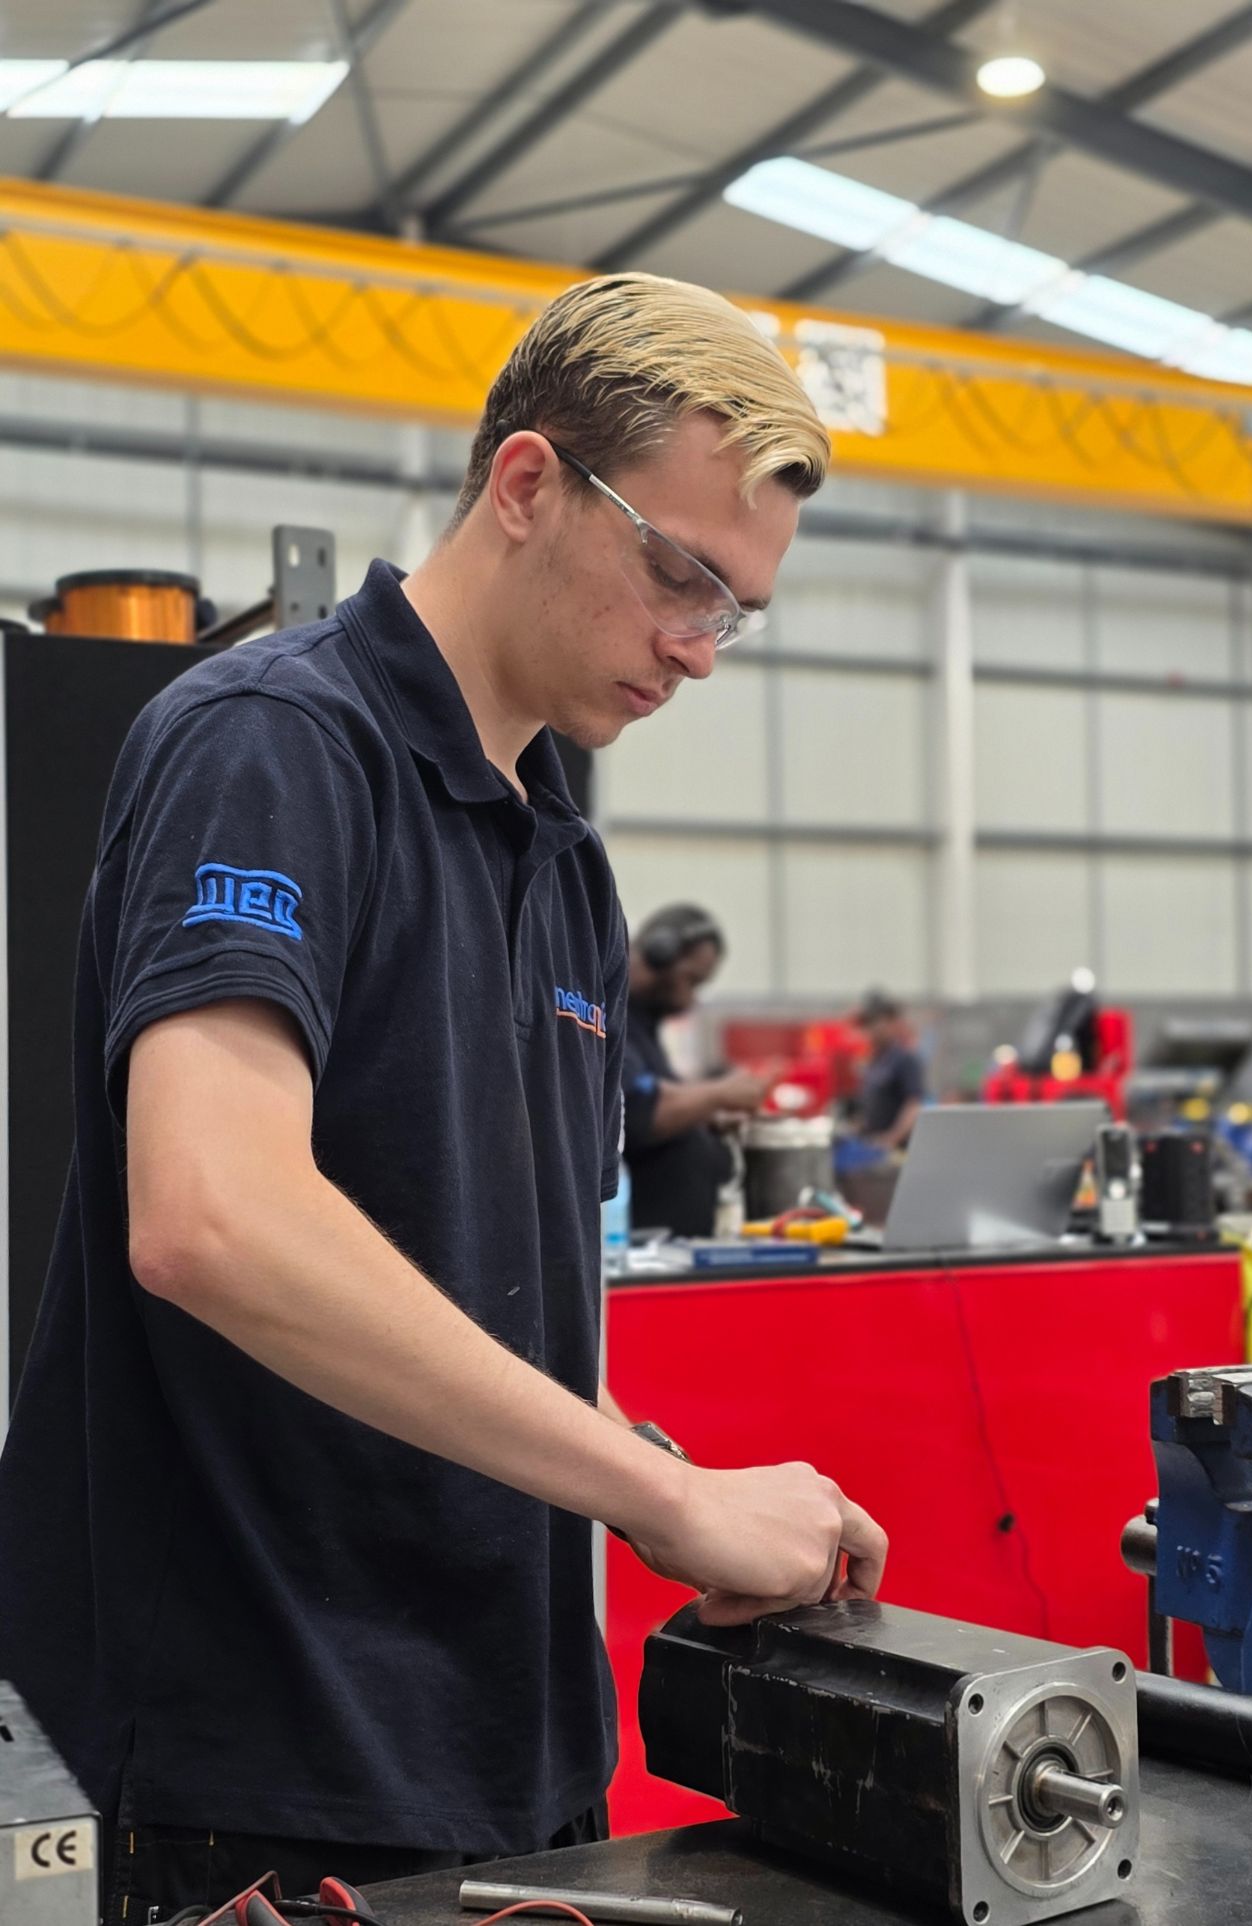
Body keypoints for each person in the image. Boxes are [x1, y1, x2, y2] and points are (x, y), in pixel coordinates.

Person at [0, 272, 888, 1919]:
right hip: (259, 1768)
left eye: (736, 609)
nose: (701, 649)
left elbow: (482, 1285)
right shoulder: (274, 748)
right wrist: (667, 1494)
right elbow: (211, 1218)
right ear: (531, 484)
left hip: (501, 1756)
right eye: (681, 575)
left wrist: (679, 1496)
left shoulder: (561, 854)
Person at [622, 904, 771, 1237]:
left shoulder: (644, 1026)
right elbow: (637, 1112)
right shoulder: (610, 1019)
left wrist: (707, 1114)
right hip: (639, 1251)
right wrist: (721, 1093)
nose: (691, 999)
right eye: (690, 980)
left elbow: (661, 1095)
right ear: (659, 954)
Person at [853, 991, 927, 1151]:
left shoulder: (904, 1059)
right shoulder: (875, 1060)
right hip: (872, 1145)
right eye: (868, 1024)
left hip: (895, 1150)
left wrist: (891, 1138)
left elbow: (914, 1104)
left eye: (876, 1022)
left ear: (893, 1023)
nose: (871, 1029)